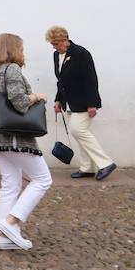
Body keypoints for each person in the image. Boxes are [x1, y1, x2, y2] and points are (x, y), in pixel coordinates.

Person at [0, 33, 53, 251]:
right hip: (15, 137)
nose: (23, 53)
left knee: (10, 184)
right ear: (13, 49)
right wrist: (37, 96)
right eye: (21, 48)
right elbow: (20, 103)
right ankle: (10, 222)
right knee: (42, 179)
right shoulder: (12, 69)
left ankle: (4, 238)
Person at [46, 26, 116, 181]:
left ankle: (106, 163)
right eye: (52, 44)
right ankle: (87, 168)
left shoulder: (81, 53)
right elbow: (61, 81)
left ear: (65, 40)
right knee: (80, 133)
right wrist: (58, 100)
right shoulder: (56, 55)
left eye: (56, 43)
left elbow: (91, 79)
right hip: (69, 102)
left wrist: (91, 104)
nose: (54, 47)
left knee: (78, 130)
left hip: (84, 101)